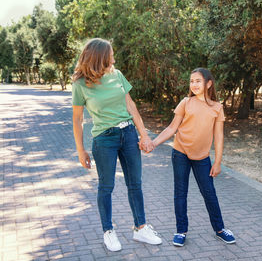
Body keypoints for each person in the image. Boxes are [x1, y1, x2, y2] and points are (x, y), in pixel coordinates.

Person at [72, 38, 161, 252]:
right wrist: (80, 149)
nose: (114, 57)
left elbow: (131, 105)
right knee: (106, 186)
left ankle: (140, 228)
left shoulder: (117, 75)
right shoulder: (81, 84)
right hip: (104, 139)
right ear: (100, 56)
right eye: (111, 54)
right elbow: (77, 119)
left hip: (129, 134)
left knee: (135, 183)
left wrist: (144, 135)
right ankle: (108, 231)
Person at [150, 68, 236, 246]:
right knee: (180, 193)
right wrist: (154, 143)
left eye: (198, 81)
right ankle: (181, 231)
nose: (194, 84)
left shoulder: (217, 108)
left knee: (209, 193)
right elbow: (172, 128)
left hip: (202, 157)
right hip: (180, 152)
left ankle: (220, 229)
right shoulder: (185, 102)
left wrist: (218, 162)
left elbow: (219, 136)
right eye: (191, 81)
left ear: (208, 83)